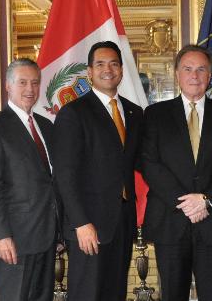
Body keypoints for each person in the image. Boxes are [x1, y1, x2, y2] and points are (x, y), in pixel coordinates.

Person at [140, 45, 212, 301]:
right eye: (187, 69)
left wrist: (206, 200)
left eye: (201, 69)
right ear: (177, 74)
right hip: (170, 221)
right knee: (172, 294)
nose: (194, 75)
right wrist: (186, 203)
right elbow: (149, 163)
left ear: (210, 75)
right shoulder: (155, 114)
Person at [51, 41, 144, 301]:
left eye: (114, 63)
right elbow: (65, 175)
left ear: (122, 70)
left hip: (122, 222)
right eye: (100, 64)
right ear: (89, 72)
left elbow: (139, 161)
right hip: (89, 225)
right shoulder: (74, 113)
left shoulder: (134, 113)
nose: (108, 69)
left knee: (114, 292)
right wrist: (81, 222)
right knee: (87, 294)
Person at [0, 58, 58, 301]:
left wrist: (59, 231)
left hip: (47, 235)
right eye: (22, 82)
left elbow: (51, 181)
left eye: (34, 82)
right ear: (8, 86)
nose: (30, 89)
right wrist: (1, 235)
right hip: (15, 238)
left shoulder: (46, 126)